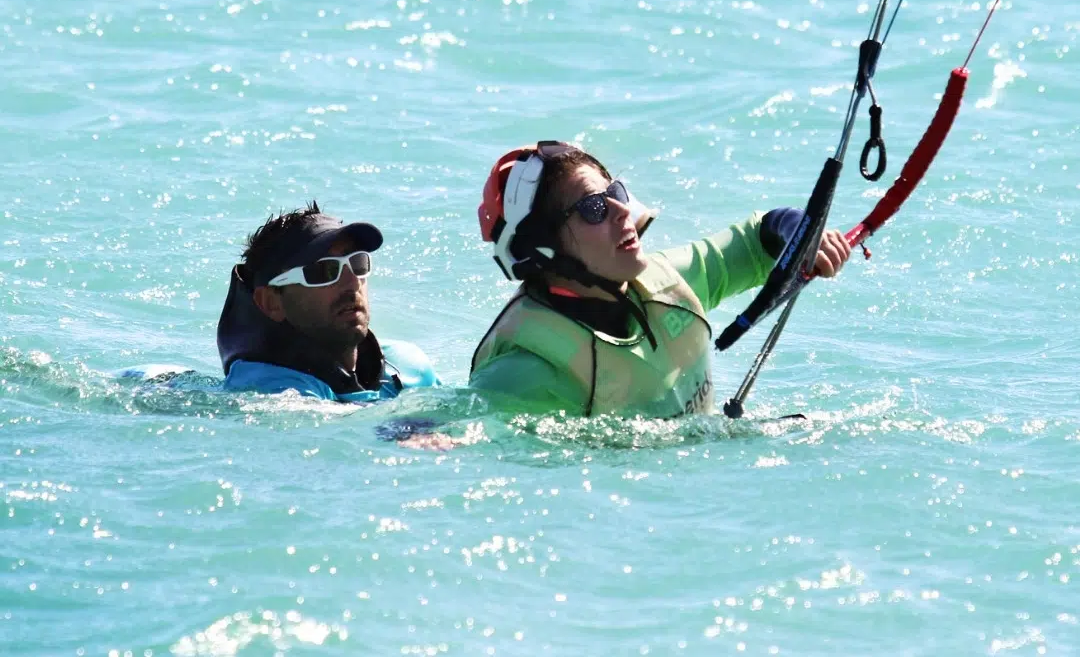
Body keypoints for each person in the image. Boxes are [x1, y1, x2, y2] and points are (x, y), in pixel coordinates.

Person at [470, 141, 850, 417]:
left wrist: (799, 231)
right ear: (543, 248)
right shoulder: (529, 370)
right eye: (594, 207)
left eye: (615, 192)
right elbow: (457, 427)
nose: (623, 211)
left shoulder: (667, 285)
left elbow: (759, 240)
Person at [217, 202, 439, 402]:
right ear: (271, 302)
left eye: (357, 263)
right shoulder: (267, 390)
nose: (352, 282)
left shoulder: (408, 364)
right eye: (325, 271)